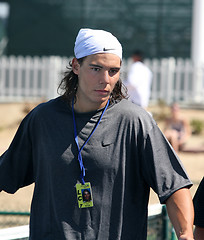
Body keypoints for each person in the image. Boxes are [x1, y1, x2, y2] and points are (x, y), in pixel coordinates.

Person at [0, 28, 194, 240]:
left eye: (113, 71)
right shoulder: (42, 119)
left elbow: (175, 186)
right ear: (76, 66)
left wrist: (185, 234)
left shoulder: (135, 122)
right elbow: (7, 174)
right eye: (95, 68)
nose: (106, 79)